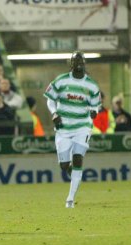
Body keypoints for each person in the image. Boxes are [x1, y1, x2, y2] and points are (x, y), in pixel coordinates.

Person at [44, 51, 100, 208]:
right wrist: (54, 114)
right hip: (63, 128)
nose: (78, 64)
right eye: (76, 61)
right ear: (71, 64)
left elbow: (95, 104)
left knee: (78, 158)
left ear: (85, 63)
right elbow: (50, 100)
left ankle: (70, 198)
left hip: (82, 126)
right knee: (64, 165)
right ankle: (73, 171)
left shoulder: (91, 85)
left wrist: (94, 110)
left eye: (81, 61)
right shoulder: (61, 81)